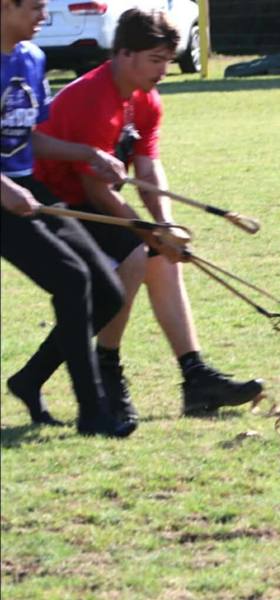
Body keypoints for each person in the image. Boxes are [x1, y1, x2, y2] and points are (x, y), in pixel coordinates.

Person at [26, 8, 264, 421]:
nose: (163, 70)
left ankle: (195, 377)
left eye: (168, 60)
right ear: (123, 54)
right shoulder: (92, 98)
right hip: (52, 201)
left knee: (159, 257)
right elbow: (93, 189)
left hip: (86, 197)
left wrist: (166, 225)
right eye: (155, 60)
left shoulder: (145, 98)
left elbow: (149, 167)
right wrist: (150, 233)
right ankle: (107, 368)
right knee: (137, 255)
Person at [2, 0, 134, 436]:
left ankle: (29, 379)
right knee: (73, 279)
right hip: (5, 196)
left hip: (27, 190)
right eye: (36, 7)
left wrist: (89, 154)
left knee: (108, 291)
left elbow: (31, 136)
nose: (44, 15)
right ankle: (93, 412)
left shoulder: (32, 58)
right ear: (6, 7)